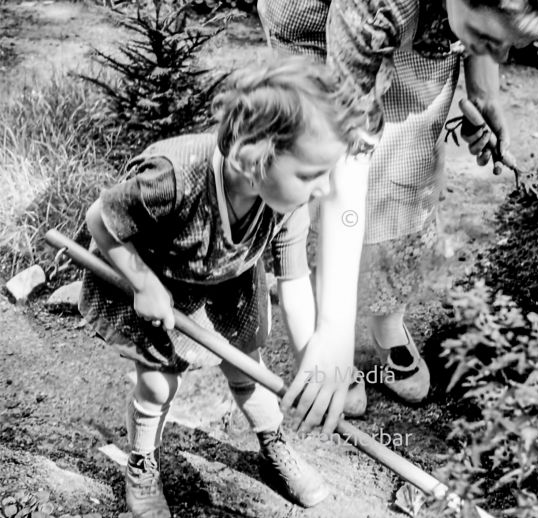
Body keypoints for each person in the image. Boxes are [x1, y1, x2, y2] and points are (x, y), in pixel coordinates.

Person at [257, 0, 538, 420]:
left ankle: (385, 319)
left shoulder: (466, 9)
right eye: (488, 40)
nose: (500, 56)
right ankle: (324, 330)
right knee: (319, 169)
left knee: (404, 169)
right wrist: (337, 333)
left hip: (414, 27)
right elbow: (347, 156)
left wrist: (484, 94)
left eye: (509, 46)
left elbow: (484, 24)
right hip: (313, 27)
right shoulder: (375, 6)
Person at [78, 54, 358, 516]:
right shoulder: (170, 178)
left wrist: (314, 366)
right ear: (253, 159)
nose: (327, 188)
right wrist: (143, 284)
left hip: (230, 284)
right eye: (312, 174)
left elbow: (295, 282)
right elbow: (100, 220)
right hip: (162, 282)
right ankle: (142, 460)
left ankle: (273, 445)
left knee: (249, 370)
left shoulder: (288, 202)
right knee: (157, 385)